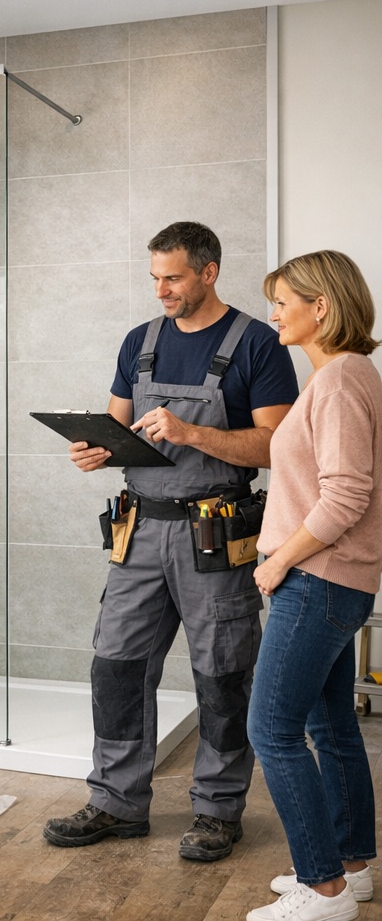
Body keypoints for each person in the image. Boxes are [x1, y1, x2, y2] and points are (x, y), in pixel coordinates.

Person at [43, 221, 299, 861]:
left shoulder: (258, 344)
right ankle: (116, 801)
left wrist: (194, 434)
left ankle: (217, 811)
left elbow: (278, 444)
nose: (161, 289)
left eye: (174, 277)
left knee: (222, 675)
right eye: (155, 277)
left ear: (209, 272)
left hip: (215, 535)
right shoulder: (141, 341)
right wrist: (95, 450)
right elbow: (119, 426)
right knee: (117, 669)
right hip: (139, 532)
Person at [245, 251, 381, 921]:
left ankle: (323, 890)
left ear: (320, 307)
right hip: (333, 582)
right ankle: (350, 867)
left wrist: (277, 563)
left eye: (283, 301)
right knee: (331, 726)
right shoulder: (345, 377)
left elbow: (346, 496)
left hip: (317, 580)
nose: (274, 313)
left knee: (270, 728)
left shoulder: (337, 383)